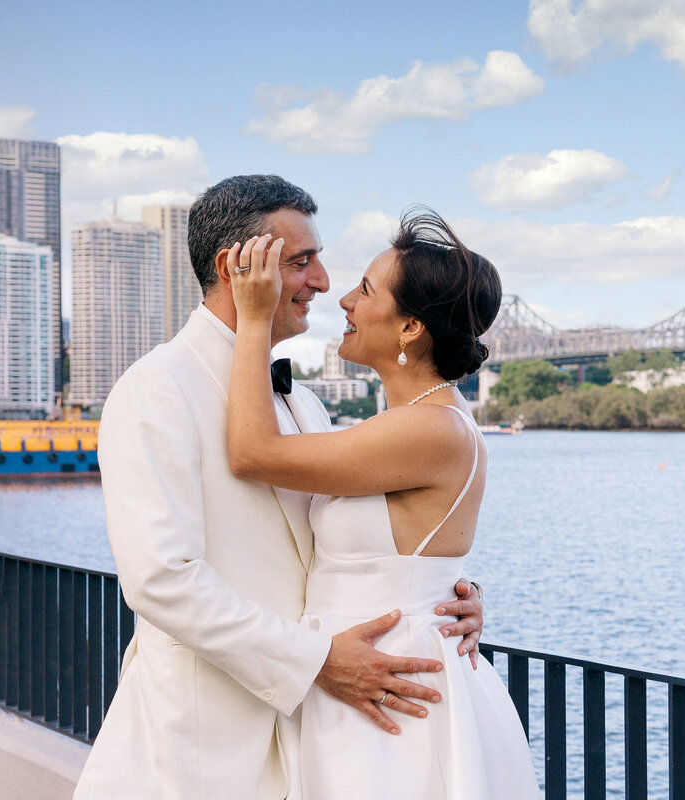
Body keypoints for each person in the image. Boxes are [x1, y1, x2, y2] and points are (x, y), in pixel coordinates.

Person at [75, 176, 484, 799]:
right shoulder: (156, 387)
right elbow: (160, 579)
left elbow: (356, 539)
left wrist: (443, 599)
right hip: (198, 747)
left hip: (320, 740)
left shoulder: (305, 404)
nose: (322, 281)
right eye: (300, 261)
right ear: (234, 268)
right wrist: (315, 660)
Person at [224, 208, 539, 798]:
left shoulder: (430, 428)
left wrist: (254, 319)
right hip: (365, 674)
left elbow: (250, 452)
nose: (344, 300)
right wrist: (455, 590)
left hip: (389, 691)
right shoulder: (417, 422)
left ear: (410, 327)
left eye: (366, 290)